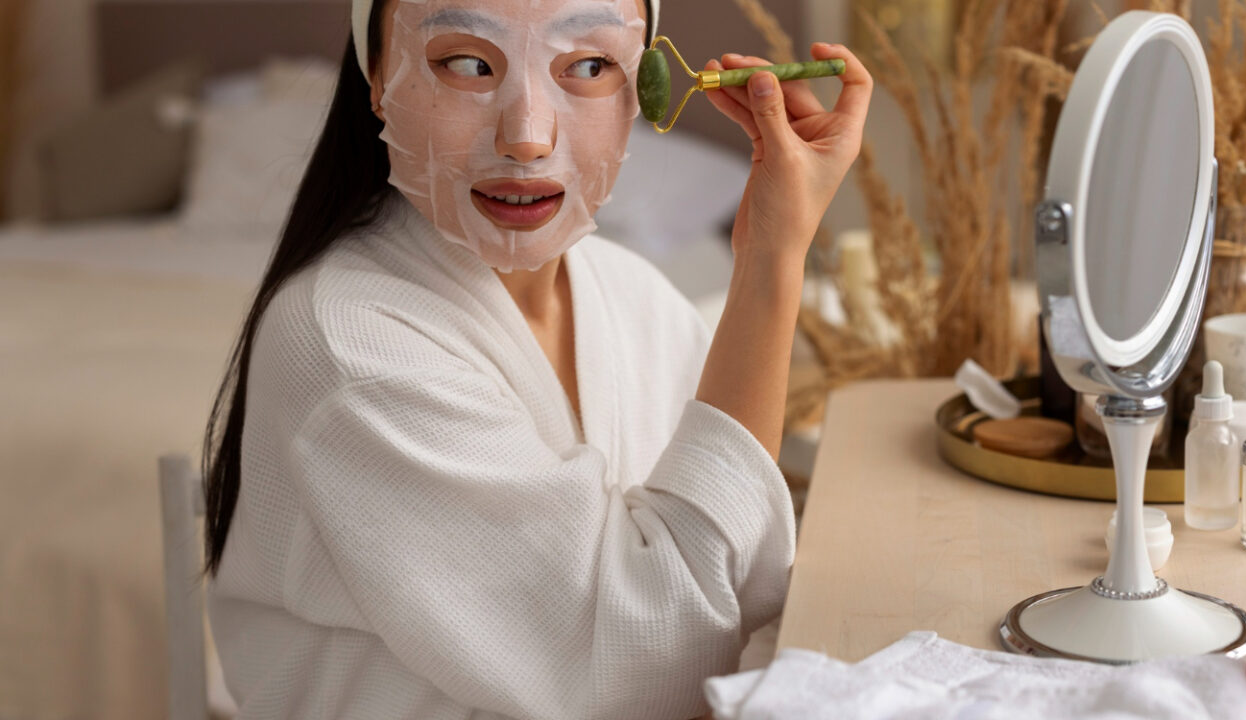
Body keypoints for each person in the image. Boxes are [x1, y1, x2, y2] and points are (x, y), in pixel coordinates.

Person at [201, 0, 871, 716]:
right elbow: (659, 667)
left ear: (638, 87)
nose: (526, 137)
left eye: (589, 65)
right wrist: (772, 256)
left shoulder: (639, 298)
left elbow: (743, 591)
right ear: (376, 77)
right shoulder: (348, 346)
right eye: (466, 64)